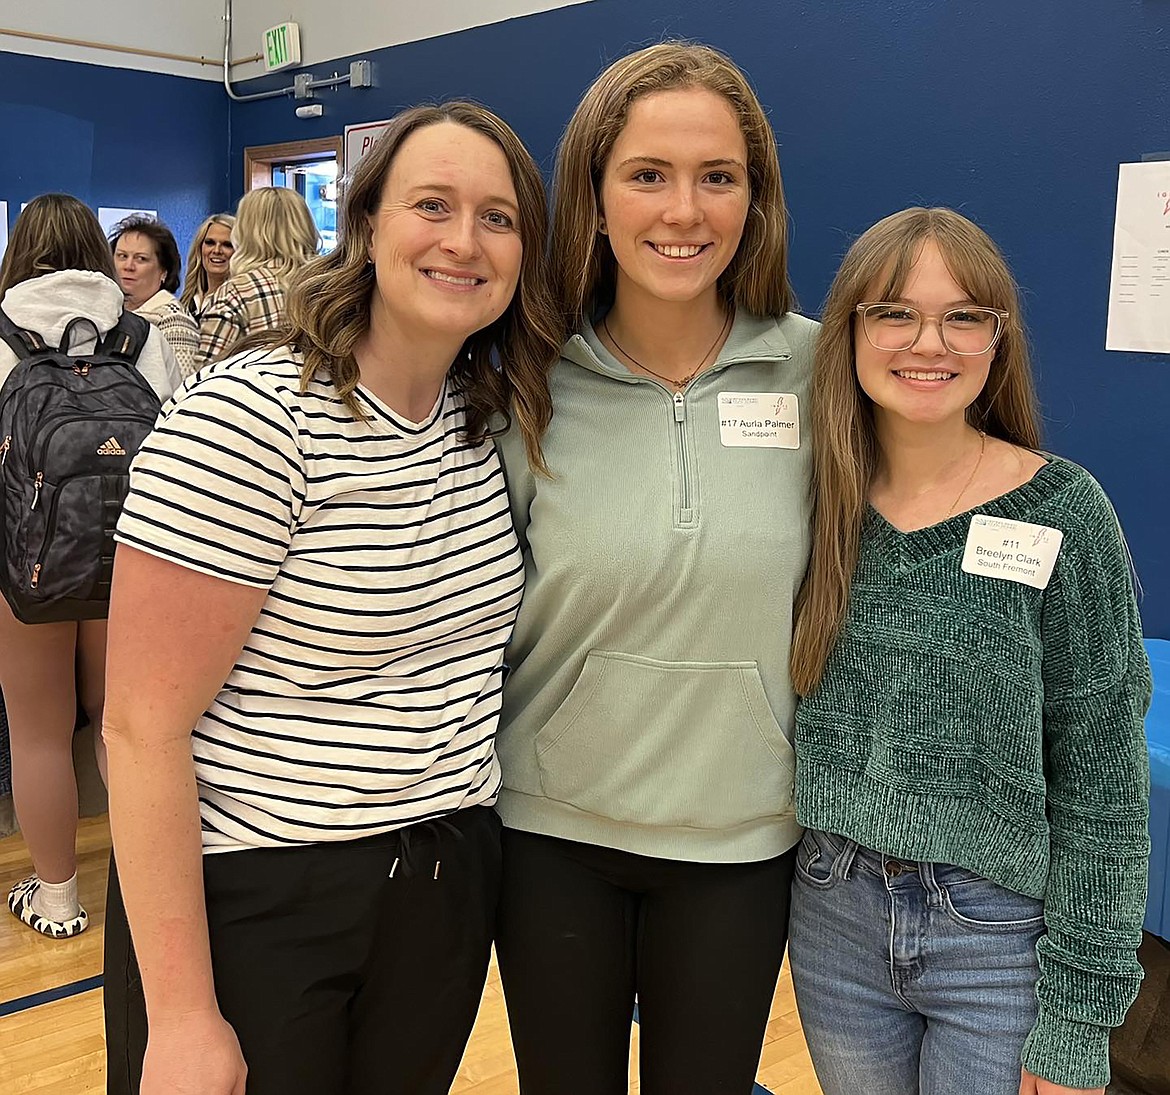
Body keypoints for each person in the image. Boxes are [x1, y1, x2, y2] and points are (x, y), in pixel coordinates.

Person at [101, 101, 560, 1095]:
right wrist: (181, 1015)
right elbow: (140, 725)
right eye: (431, 204)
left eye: (498, 217)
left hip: (442, 883)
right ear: (365, 225)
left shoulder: (484, 423)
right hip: (263, 892)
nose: (463, 240)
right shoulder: (249, 418)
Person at [493, 42, 818, 1094]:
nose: (684, 211)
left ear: (753, 199)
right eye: (647, 175)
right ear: (593, 195)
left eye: (717, 177)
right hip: (551, 835)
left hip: (742, 838)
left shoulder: (822, 371)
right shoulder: (528, 386)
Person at [786, 207, 1151, 1095]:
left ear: (998, 337)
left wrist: (1079, 1019)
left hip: (998, 936)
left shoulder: (1063, 512)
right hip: (832, 912)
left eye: (963, 316)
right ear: (852, 329)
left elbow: (1105, 782)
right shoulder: (808, 497)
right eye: (894, 312)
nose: (929, 342)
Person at [0, 193, 181, 938]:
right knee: (125, 729)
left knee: (37, 730)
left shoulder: (3, 332)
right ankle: (150, 897)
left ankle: (58, 897)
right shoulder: (140, 334)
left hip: (26, 566)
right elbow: (177, 440)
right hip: (129, 558)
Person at [195, 188, 317, 366]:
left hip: (255, 392)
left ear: (246, 231)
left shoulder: (237, 292)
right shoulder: (333, 283)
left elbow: (206, 375)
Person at [110, 214, 201, 377]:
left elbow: (181, 390)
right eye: (122, 256)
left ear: (163, 272)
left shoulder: (174, 320)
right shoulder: (109, 312)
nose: (128, 266)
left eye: (141, 259)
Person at [178, 213, 235, 318]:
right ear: (199, 248)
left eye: (227, 245)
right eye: (210, 243)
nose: (217, 250)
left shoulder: (238, 301)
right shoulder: (187, 300)